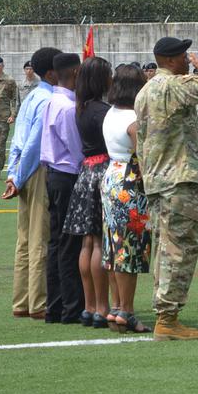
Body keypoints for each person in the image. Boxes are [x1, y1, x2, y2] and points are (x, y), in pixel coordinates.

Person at [135, 36, 198, 340]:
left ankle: (165, 313)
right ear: (171, 60)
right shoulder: (173, 85)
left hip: (157, 181)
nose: (189, 60)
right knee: (181, 248)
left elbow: (141, 140)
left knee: (165, 247)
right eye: (185, 57)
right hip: (178, 179)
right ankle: (168, 318)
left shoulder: (145, 91)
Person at [3, 47, 62, 321]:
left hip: (23, 172)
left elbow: (18, 140)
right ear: (52, 72)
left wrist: (14, 174)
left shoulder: (31, 97)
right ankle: (39, 301)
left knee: (24, 238)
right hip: (37, 170)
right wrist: (23, 173)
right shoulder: (49, 99)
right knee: (40, 237)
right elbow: (35, 144)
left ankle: (22, 300)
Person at [64, 57, 114, 328]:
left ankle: (89, 306)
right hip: (102, 172)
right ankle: (102, 307)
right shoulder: (103, 111)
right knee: (99, 243)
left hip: (86, 173)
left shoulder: (82, 107)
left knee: (87, 242)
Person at [102, 64, 151, 333]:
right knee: (129, 250)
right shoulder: (134, 118)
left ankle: (117, 305)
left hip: (112, 176)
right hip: (130, 182)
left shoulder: (111, 112)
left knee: (113, 245)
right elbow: (143, 155)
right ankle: (128, 311)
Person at [41, 52, 85, 323]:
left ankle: (55, 306)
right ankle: (72, 307)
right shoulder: (67, 107)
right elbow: (77, 150)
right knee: (70, 245)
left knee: (57, 244)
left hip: (54, 174)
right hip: (67, 175)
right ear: (76, 73)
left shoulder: (52, 100)